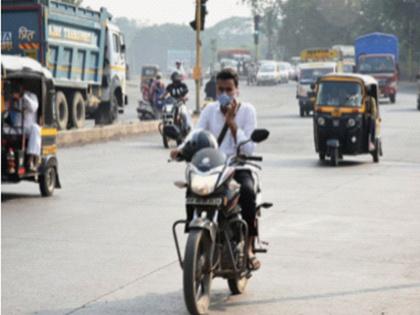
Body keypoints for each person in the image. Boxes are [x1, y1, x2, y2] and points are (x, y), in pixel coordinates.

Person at [170, 68, 260, 270]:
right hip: (213, 167)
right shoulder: (209, 110)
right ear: (216, 91)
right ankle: (193, 231)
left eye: (229, 89)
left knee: (247, 191)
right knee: (192, 187)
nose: (225, 94)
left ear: (237, 90)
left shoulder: (247, 111)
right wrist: (181, 149)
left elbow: (249, 147)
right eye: (221, 90)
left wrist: (232, 123)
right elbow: (196, 134)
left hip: (238, 166)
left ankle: (248, 246)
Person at [9, 81, 41, 172]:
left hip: (28, 128)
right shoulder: (12, 99)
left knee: (36, 129)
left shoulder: (31, 96)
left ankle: (31, 159)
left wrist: (23, 97)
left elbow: (34, 107)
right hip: (15, 127)